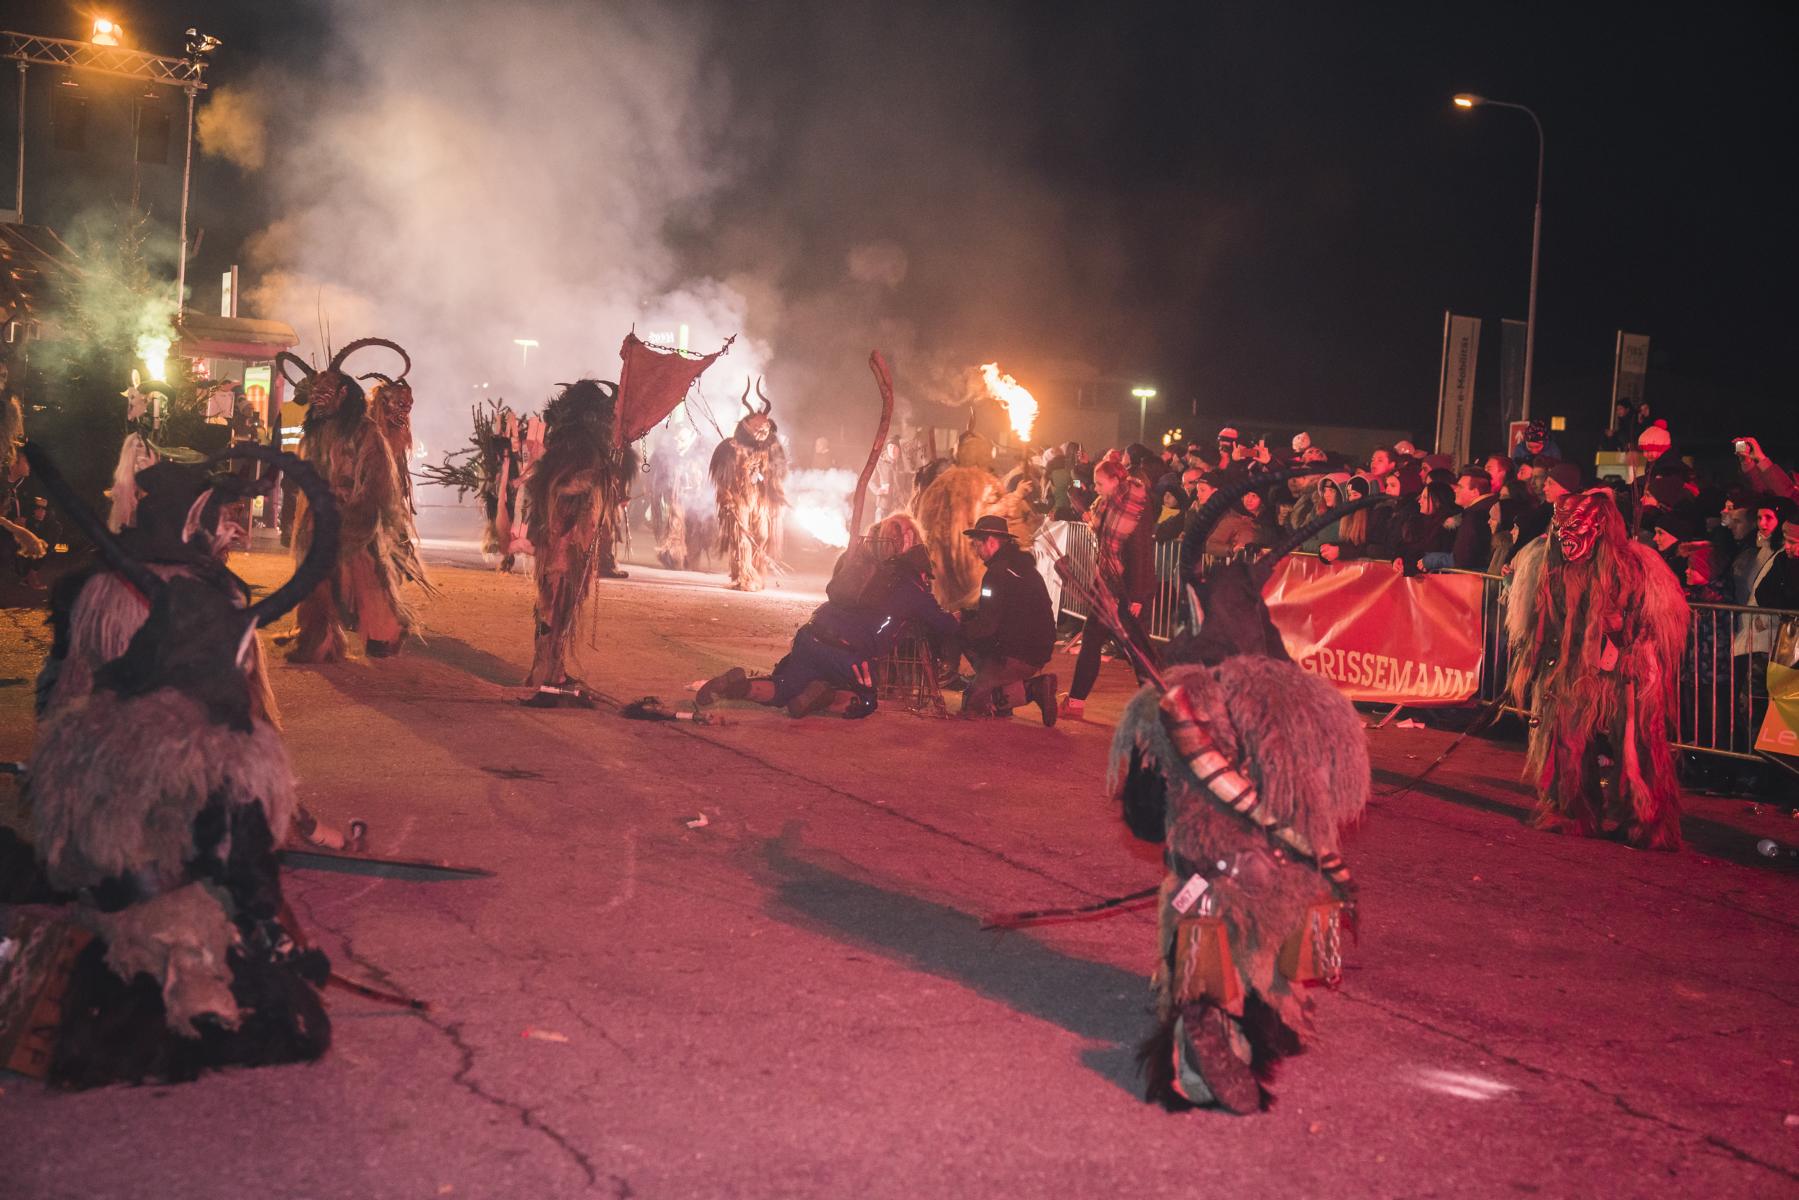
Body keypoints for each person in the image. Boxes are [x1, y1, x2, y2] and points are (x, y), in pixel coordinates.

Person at [1506, 490, 1688, 849]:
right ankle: (1572, 810)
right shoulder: (1548, 565)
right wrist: (1538, 658)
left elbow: (1654, 624)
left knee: (1637, 739)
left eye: (1575, 527)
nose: (1565, 537)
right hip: (1573, 666)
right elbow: (1540, 622)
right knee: (1565, 735)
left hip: (1627, 668)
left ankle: (1646, 818)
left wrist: (1625, 637)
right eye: (1560, 527)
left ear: (1600, 527)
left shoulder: (1638, 566)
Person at [697, 542, 958, 718]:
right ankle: (826, 697)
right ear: (922, 574)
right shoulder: (916, 591)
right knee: (866, 701)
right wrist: (958, 618)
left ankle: (738, 687)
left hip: (811, 634)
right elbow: (945, 625)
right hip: (848, 653)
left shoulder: (871, 574)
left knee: (784, 686)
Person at [1061, 454, 1156, 720]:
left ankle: (1155, 706)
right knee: (1092, 640)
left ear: (1116, 480)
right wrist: (1078, 499)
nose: (1096, 488)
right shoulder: (1107, 503)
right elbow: (1095, 524)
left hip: (1128, 589)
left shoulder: (1136, 504)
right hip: (1106, 584)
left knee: (1138, 651)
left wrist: (1136, 596)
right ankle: (1076, 701)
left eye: (1100, 483)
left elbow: (1140, 552)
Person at [956, 515, 1058, 722]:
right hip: (1038, 650)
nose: (976, 551)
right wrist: (967, 614)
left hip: (1014, 653)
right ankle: (1030, 687)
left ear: (991, 542)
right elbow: (1004, 611)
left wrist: (956, 628)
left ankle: (1023, 687)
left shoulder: (996, 574)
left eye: (977, 544)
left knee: (972, 704)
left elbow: (987, 625)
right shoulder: (1024, 569)